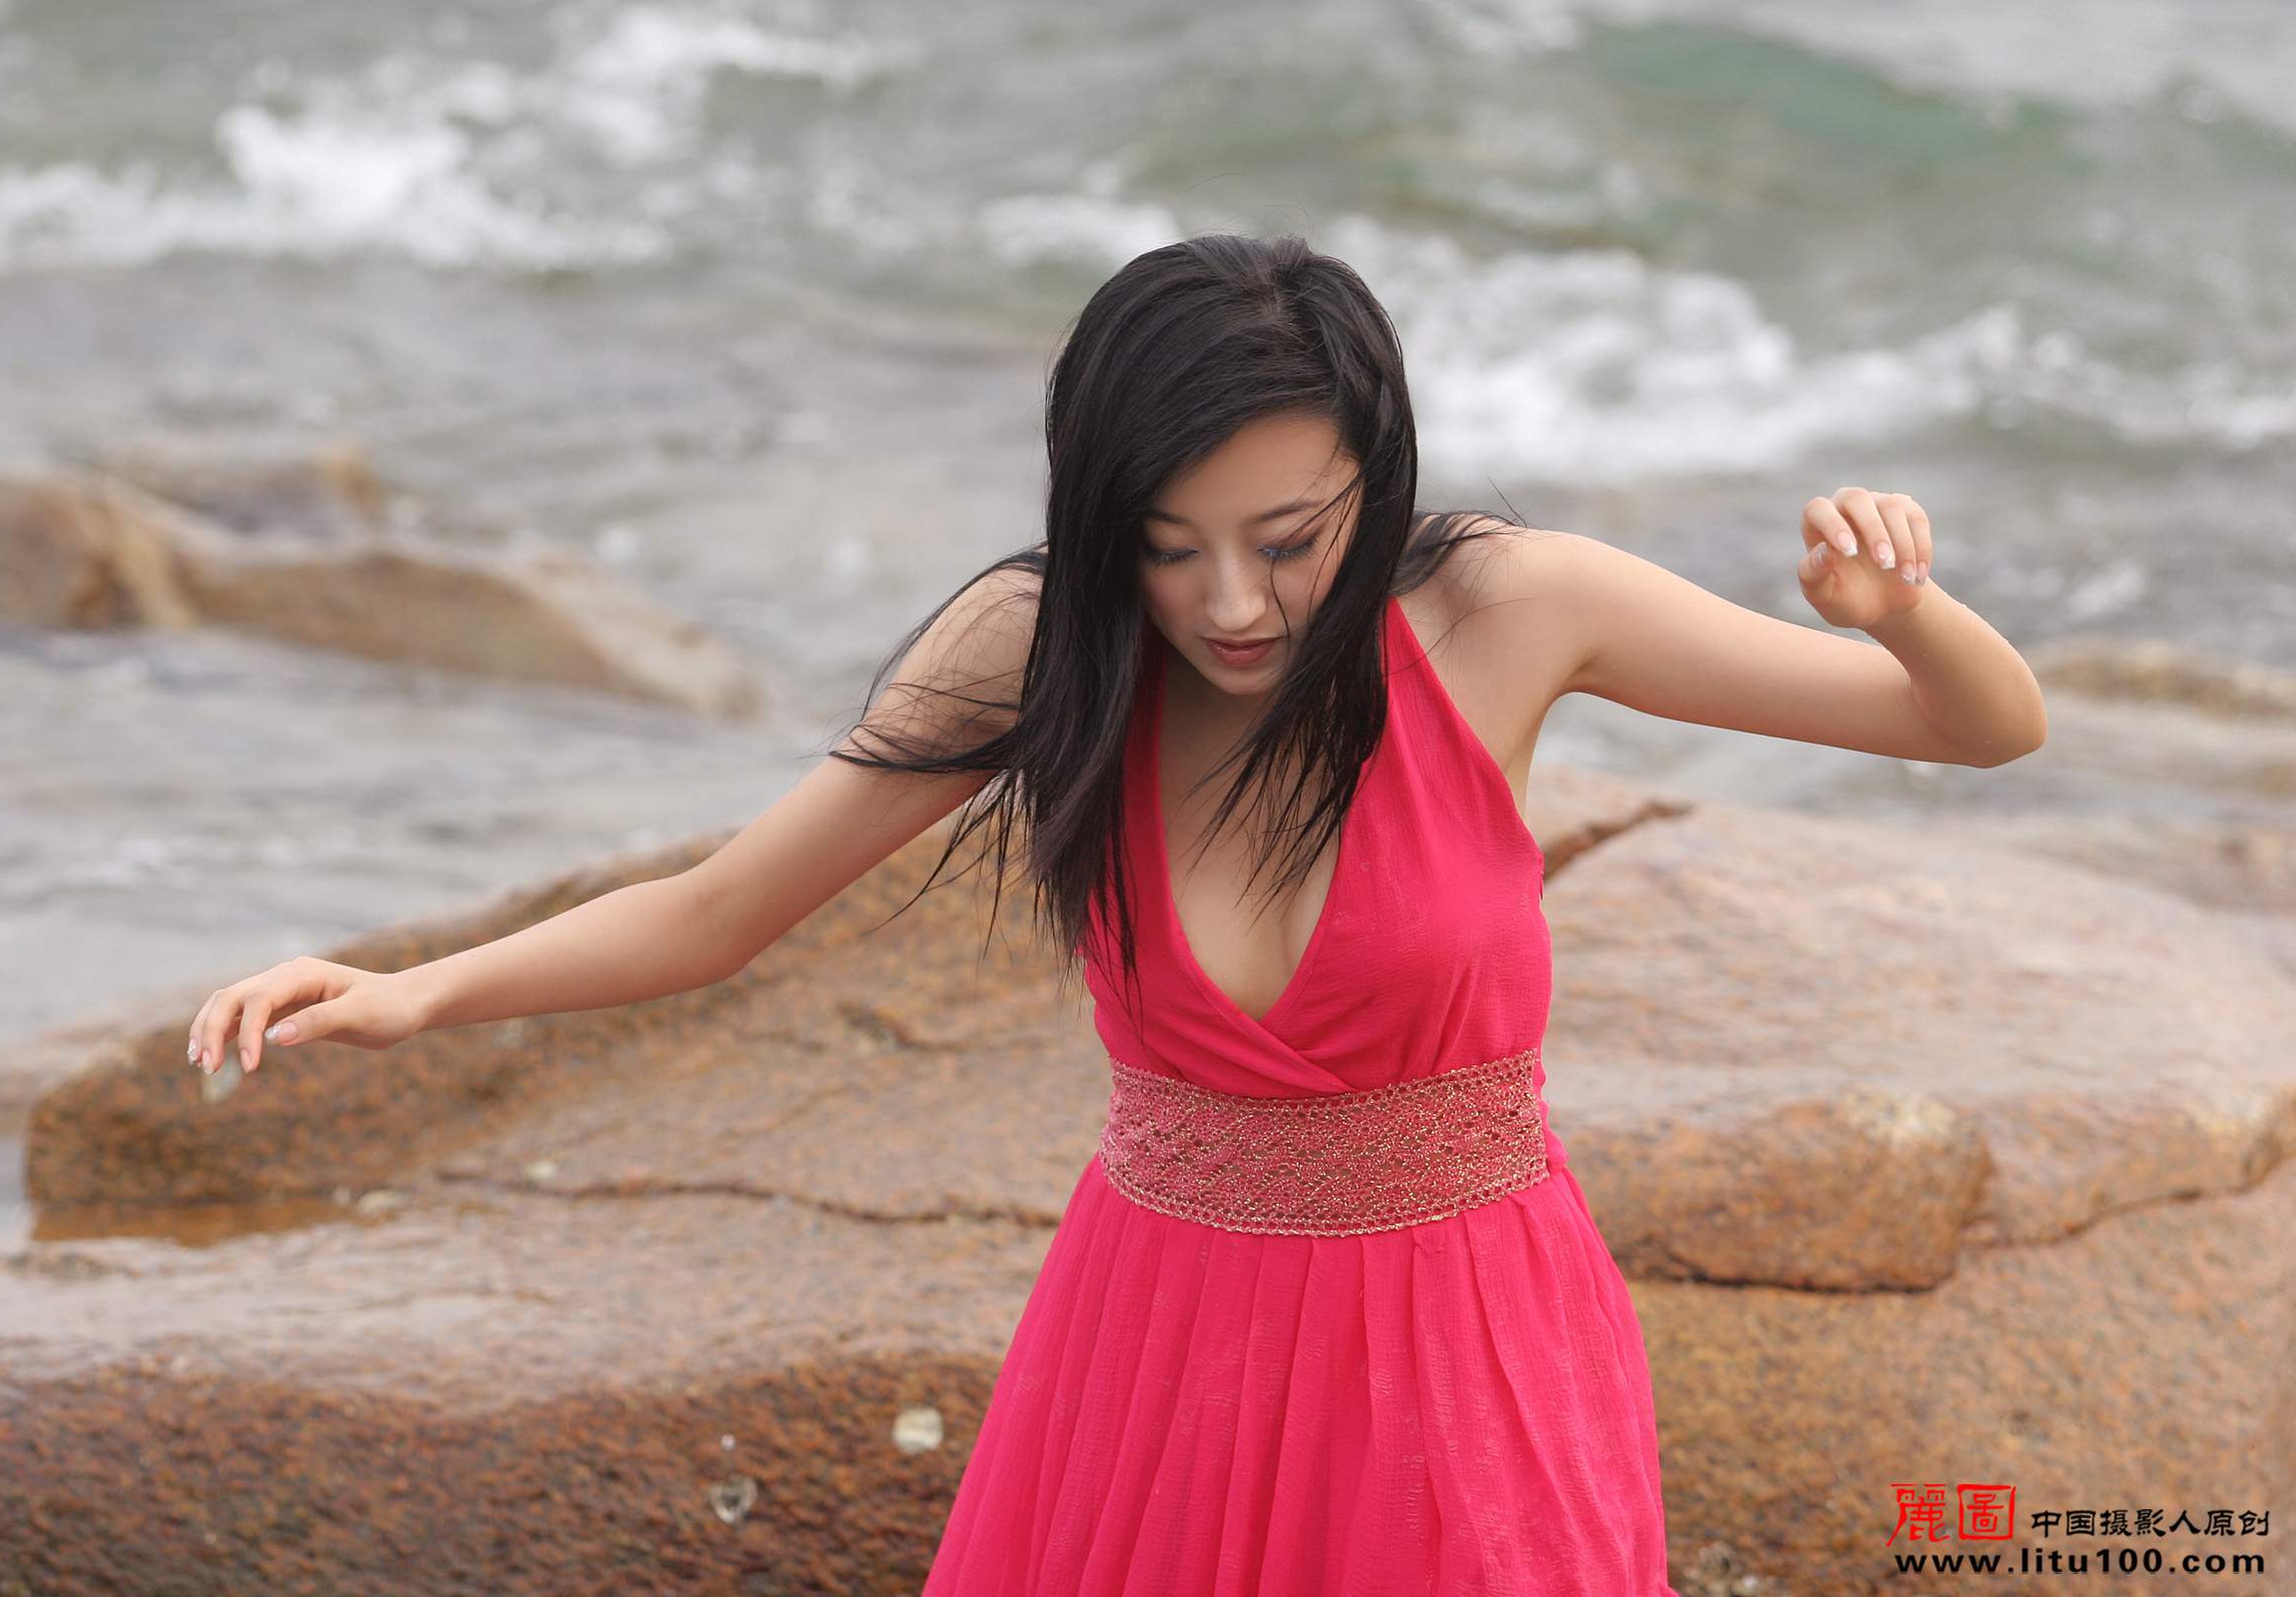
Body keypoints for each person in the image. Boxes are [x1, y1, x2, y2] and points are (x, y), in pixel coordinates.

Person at [186, 234, 2048, 1594]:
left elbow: (1981, 729)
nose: (1229, 604)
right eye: (1167, 547)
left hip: (1464, 1343)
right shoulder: (1034, 643)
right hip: (1157, 1351)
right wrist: (417, 994)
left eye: (1288, 542)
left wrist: (1903, 613)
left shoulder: (1509, 609)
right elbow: (723, 908)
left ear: (1377, 477)